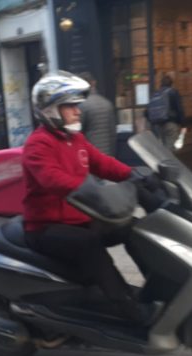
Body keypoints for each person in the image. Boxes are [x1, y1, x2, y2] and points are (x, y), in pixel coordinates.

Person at [22, 72, 155, 325]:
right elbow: (52, 179)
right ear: (50, 110)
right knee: (89, 244)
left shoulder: (76, 139)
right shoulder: (38, 145)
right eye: (70, 106)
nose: (78, 111)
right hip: (45, 227)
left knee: (132, 228)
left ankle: (157, 284)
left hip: (80, 218)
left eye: (76, 105)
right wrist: (95, 191)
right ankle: (126, 306)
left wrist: (136, 174)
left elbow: (102, 163)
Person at [78, 72, 118, 156]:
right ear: (93, 83)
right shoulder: (107, 103)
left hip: (91, 155)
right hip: (107, 155)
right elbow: (112, 133)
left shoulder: (82, 105)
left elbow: (77, 134)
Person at [146, 75, 185, 150]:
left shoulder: (155, 94)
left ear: (161, 83)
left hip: (157, 125)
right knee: (170, 149)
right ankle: (167, 161)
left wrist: (152, 122)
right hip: (170, 124)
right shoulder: (173, 92)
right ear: (171, 84)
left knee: (162, 148)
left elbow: (147, 112)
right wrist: (183, 123)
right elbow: (179, 109)